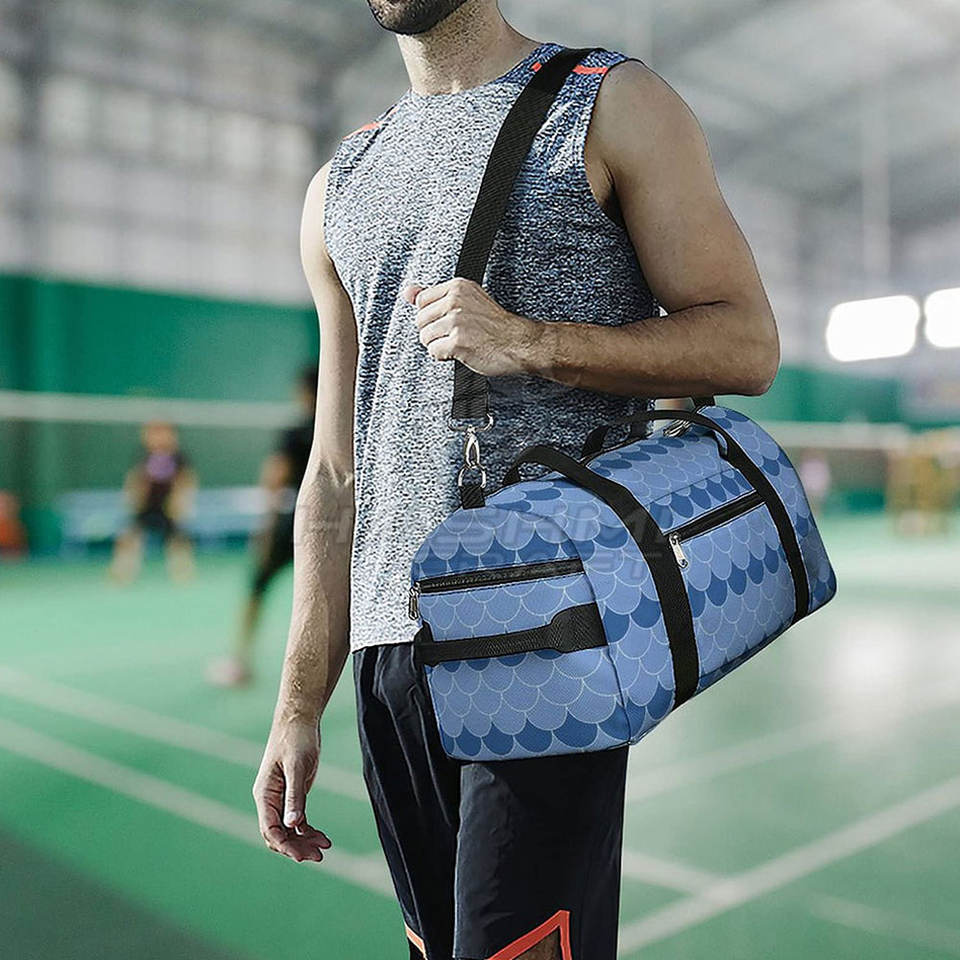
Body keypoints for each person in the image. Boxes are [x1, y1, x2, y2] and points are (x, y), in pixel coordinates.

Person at [252, 4, 780, 959]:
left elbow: (747, 343)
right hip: (388, 646)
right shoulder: (341, 184)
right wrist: (297, 704)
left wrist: (532, 342)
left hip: (547, 626)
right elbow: (333, 472)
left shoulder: (611, 103)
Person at [208, 365, 318, 687]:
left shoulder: (295, 432)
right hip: (335, 521)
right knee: (327, 599)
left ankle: (240, 661)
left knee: (257, 587)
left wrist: (267, 527)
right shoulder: (341, 427)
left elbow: (275, 478)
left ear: (303, 392)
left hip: (295, 518)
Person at [110, 420, 196, 583]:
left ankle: (183, 572)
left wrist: (181, 501)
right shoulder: (143, 456)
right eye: (152, 433)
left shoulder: (179, 457)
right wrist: (132, 497)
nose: (157, 437)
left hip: (169, 507)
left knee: (178, 540)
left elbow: (186, 479)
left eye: (162, 432)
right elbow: (135, 478)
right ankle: (122, 572)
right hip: (146, 506)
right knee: (130, 538)